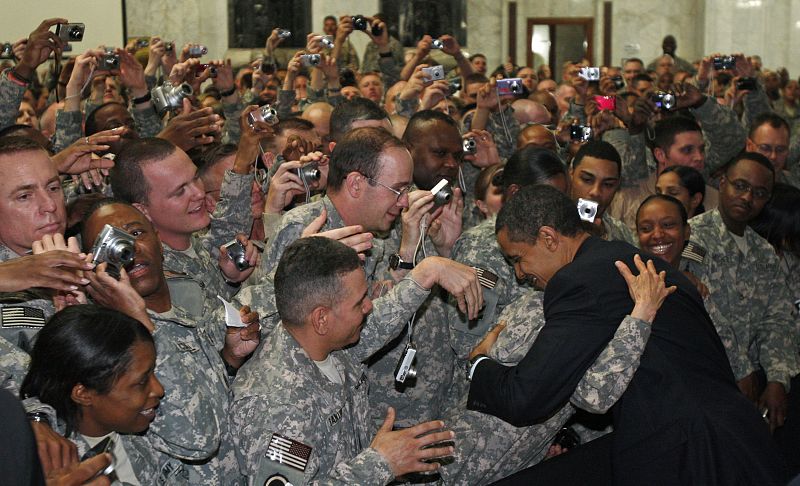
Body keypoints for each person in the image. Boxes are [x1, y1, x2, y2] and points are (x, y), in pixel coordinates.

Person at [467, 184, 788, 485]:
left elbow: (527, 396)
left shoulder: (579, 282)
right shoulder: (633, 260)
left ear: (549, 237)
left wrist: (479, 363)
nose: (520, 275)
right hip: (737, 440)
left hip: (690, 456)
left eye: (518, 259)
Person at [231, 236, 456, 484]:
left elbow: (382, 322)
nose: (369, 306)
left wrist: (427, 273)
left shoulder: (329, 344)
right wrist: (379, 463)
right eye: (359, 302)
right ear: (321, 319)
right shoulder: (278, 407)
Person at [685, 153, 799, 432]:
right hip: (703, 381)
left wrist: (777, 379)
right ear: (722, 182)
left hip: (754, 383)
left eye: (759, 193)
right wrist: (740, 368)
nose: (747, 198)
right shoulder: (691, 238)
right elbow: (699, 309)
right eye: (740, 186)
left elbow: (779, 319)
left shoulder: (764, 252)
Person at [21, 305, 166, 484]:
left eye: (153, 371)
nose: (159, 389)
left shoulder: (146, 423)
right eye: (142, 382)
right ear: (83, 394)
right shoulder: (60, 470)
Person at [568, 141, 636, 245]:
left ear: (617, 185)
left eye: (608, 184)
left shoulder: (621, 234)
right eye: (587, 180)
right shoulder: (547, 226)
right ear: (571, 174)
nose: (596, 192)